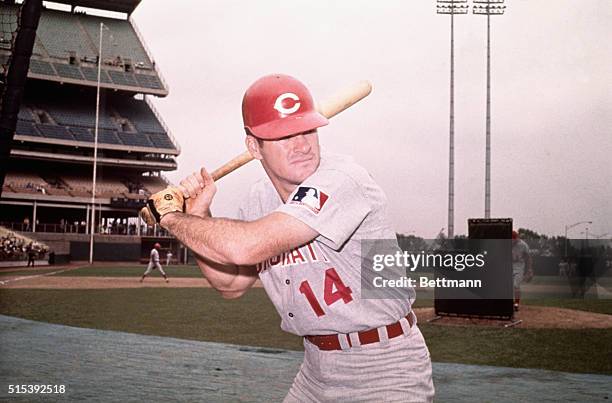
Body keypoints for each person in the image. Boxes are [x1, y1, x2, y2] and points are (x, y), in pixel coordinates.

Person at [146, 74, 434, 401]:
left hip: (385, 366)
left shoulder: (342, 179)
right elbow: (229, 285)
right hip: (316, 368)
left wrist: (170, 217)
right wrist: (197, 216)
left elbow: (245, 247)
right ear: (254, 146)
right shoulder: (259, 199)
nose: (301, 145)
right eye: (283, 135)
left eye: (307, 130)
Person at [512, 230, 533, 311]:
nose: (513, 240)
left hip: (519, 267)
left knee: (516, 285)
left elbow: (528, 257)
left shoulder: (523, 245)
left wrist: (530, 270)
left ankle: (516, 304)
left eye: (514, 238)